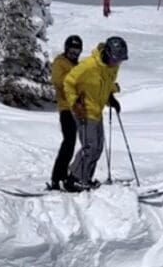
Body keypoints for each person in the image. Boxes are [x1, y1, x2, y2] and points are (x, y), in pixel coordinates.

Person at [61, 35, 126, 192]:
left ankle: (83, 178)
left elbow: (106, 85)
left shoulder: (112, 67)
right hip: (83, 110)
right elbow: (68, 82)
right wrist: (74, 102)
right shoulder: (89, 66)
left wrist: (111, 98)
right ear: (108, 54)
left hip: (97, 110)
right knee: (91, 146)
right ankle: (75, 179)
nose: (117, 63)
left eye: (120, 60)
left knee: (97, 148)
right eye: (115, 59)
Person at [49, 34, 84, 190]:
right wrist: (77, 80)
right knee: (69, 142)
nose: (74, 55)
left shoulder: (77, 66)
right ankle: (57, 177)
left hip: (78, 109)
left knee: (81, 144)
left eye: (77, 52)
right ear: (66, 49)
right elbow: (59, 81)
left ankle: (72, 176)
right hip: (66, 109)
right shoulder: (60, 62)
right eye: (71, 51)